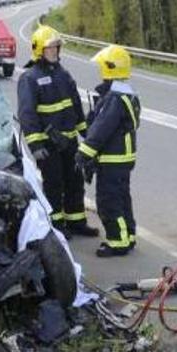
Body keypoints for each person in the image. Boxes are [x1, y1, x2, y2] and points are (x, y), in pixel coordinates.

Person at [17, 25, 98, 238]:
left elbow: (75, 107)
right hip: (48, 145)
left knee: (75, 183)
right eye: (50, 47)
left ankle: (76, 221)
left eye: (56, 47)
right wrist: (36, 146)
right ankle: (56, 226)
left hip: (69, 142)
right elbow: (27, 115)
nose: (54, 51)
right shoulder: (30, 78)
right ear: (39, 50)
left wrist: (87, 135)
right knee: (54, 185)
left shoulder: (63, 74)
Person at [75, 45, 141, 257]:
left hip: (112, 160)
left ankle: (117, 242)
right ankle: (128, 236)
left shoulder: (114, 99)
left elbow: (101, 130)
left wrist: (83, 153)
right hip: (122, 159)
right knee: (122, 199)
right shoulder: (127, 95)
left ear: (109, 68)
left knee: (108, 201)